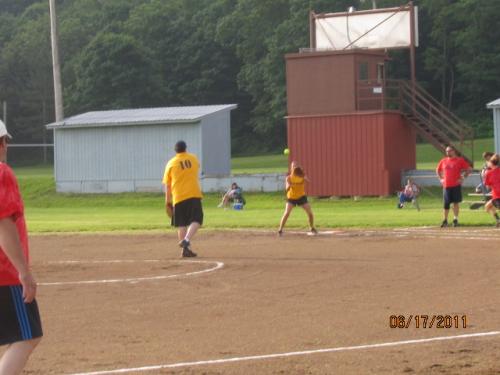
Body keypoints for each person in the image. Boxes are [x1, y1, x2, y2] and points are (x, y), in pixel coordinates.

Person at [0, 120, 43, 374]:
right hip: (5, 273)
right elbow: (4, 225)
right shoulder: (2, 172)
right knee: (28, 336)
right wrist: (24, 272)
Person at [162, 140, 203, 258]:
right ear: (185, 148)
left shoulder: (170, 163)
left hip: (178, 197)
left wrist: (167, 201)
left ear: (175, 151)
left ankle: (185, 250)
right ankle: (186, 239)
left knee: (181, 223)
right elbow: (196, 168)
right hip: (193, 194)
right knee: (197, 220)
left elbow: (168, 185)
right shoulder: (193, 158)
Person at [278, 161, 317, 236]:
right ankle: (280, 229)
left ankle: (312, 227)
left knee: (310, 213)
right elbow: (286, 189)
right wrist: (289, 185)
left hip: (301, 197)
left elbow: (309, 182)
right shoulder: (289, 178)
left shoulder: (301, 175)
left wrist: (304, 178)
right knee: (287, 213)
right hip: (291, 197)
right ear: (291, 168)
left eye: (296, 166)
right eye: (293, 166)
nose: (294, 167)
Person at [436, 145, 472, 227]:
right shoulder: (444, 161)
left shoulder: (459, 160)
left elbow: (469, 169)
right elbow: (437, 170)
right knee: (446, 204)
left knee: (456, 203)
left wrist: (463, 178)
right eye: (446, 151)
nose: (448, 152)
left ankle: (455, 219)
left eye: (449, 151)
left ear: (454, 151)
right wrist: (441, 179)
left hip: (455, 185)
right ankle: (445, 220)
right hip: (446, 186)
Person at [483, 154, 500, 228]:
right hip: (496, 196)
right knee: (487, 207)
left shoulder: (488, 173)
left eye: (489, 162)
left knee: (487, 208)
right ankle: (498, 220)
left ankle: (498, 219)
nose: (488, 163)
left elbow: (487, 185)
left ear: (491, 163)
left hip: (497, 196)